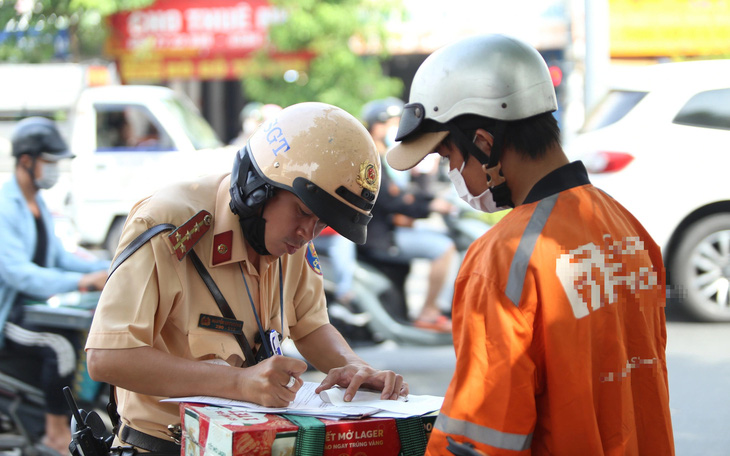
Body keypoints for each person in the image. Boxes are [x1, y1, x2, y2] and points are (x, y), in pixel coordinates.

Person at [387, 34, 675, 455]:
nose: (452, 172)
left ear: (483, 144)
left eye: (449, 156)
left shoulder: (503, 257)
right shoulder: (630, 231)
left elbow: (479, 438)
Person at [85, 102, 408, 454]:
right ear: (259, 188)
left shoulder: (291, 241)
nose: (306, 234)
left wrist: (354, 368)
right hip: (166, 445)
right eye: (303, 212)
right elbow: (107, 356)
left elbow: (311, 326)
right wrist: (238, 382)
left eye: (320, 223)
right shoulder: (169, 224)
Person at [0, 117, 110, 454]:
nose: (53, 170)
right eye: (49, 162)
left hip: (34, 308)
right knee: (61, 346)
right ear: (26, 161)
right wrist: (83, 281)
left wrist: (108, 266)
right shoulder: (6, 206)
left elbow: (57, 257)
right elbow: (19, 273)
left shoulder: (36, 205)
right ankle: (55, 430)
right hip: (11, 313)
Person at [359, 97, 457, 331]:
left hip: (391, 230)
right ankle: (430, 311)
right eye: (393, 123)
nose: (397, 129)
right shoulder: (368, 160)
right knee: (444, 248)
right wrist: (430, 206)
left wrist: (430, 198)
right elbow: (392, 200)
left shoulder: (382, 157)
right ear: (377, 126)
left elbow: (406, 194)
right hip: (380, 237)